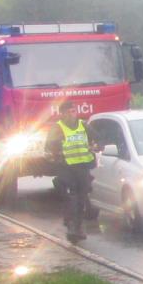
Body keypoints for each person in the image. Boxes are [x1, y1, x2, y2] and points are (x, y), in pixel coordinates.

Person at [48, 102, 97, 243]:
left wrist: (96, 145)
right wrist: (56, 151)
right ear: (62, 114)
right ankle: (71, 226)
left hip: (83, 166)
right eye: (68, 112)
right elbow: (49, 146)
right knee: (71, 197)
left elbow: (98, 139)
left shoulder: (84, 125)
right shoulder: (57, 128)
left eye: (73, 111)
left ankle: (79, 226)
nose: (72, 114)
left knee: (82, 197)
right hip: (66, 167)